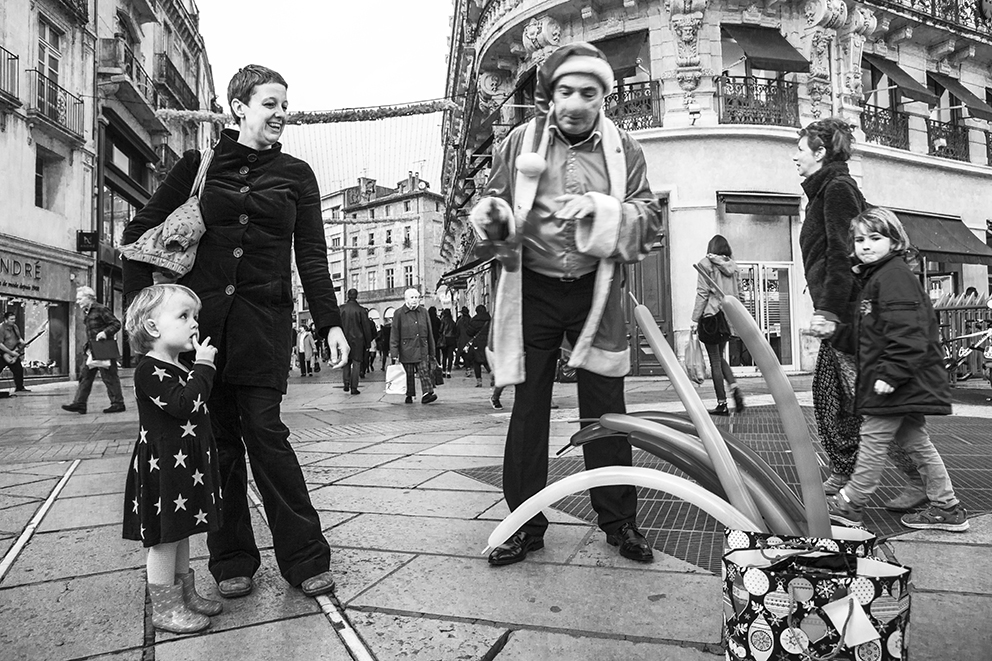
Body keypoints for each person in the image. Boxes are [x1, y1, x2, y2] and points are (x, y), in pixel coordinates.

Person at [122, 64, 348, 600]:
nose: (281, 114)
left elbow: (311, 257)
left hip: (265, 327)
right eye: (270, 103)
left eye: (284, 105)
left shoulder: (297, 175)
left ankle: (305, 556)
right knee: (219, 445)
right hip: (205, 336)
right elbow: (136, 237)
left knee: (267, 437)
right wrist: (147, 322)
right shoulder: (198, 165)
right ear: (239, 106)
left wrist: (330, 322)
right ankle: (231, 558)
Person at [469, 43, 663, 566]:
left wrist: (602, 210)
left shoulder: (627, 149)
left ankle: (620, 522)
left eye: (589, 92)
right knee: (527, 409)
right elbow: (488, 207)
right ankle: (523, 523)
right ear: (549, 95)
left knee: (606, 412)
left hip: (593, 292)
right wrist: (496, 219)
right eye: (566, 91)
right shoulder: (516, 144)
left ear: (604, 94)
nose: (576, 103)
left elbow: (648, 221)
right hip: (531, 288)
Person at [794, 117, 923, 511]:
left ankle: (921, 481)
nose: (794, 159)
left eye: (800, 151)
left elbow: (841, 251)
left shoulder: (837, 189)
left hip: (849, 316)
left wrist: (830, 310)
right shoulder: (825, 191)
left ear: (820, 153)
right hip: (842, 314)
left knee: (873, 403)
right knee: (832, 397)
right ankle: (846, 468)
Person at [826, 208, 968, 532]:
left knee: (873, 439)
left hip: (897, 380)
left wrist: (890, 374)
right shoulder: (878, 276)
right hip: (903, 379)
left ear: (895, 241)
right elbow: (876, 331)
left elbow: (908, 331)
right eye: (860, 239)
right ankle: (947, 506)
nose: (866, 245)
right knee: (916, 441)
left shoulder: (892, 276)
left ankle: (851, 502)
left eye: (875, 238)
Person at [121, 284, 223, 634]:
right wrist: (205, 367)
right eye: (183, 316)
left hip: (183, 464)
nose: (194, 323)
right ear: (152, 328)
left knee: (181, 532)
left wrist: (198, 368)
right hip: (163, 466)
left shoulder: (180, 365)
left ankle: (185, 595)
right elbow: (183, 405)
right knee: (165, 539)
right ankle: (165, 609)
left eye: (195, 316)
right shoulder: (149, 370)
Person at [690, 235, 745, 415]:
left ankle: (722, 404)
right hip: (729, 317)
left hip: (712, 316)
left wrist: (695, 318)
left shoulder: (705, 264)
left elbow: (702, 293)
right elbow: (741, 295)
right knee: (719, 357)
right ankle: (734, 387)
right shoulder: (734, 267)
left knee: (715, 360)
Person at [61, 286, 126, 414]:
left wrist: (105, 332)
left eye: (80, 299)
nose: (78, 301)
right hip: (92, 350)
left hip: (103, 349)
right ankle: (80, 404)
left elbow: (116, 324)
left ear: (89, 298)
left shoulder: (101, 309)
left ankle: (118, 403)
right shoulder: (88, 311)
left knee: (109, 377)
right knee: (85, 376)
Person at [390, 289, 437, 404]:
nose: (415, 300)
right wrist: (394, 353)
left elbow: (429, 332)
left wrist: (432, 351)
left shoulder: (424, 312)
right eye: (412, 298)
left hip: (422, 347)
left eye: (417, 297)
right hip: (406, 348)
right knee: (409, 373)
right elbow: (395, 334)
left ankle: (427, 393)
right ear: (406, 299)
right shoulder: (399, 313)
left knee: (424, 371)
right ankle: (409, 395)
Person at [340, 288, 371, 394]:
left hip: (344, 339)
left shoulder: (342, 309)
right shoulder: (361, 310)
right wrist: (368, 343)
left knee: (346, 361)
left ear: (348, 295)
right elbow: (366, 328)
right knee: (356, 363)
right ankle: (354, 387)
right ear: (356, 296)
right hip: (358, 340)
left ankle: (346, 383)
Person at [1, 310, 30, 394]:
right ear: (6, 319)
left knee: (18, 370)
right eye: (11, 319)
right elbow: (0, 344)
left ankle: (19, 387)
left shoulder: (15, 327)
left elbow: (19, 338)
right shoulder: (1, 328)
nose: (13, 321)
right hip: (3, 352)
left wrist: (23, 343)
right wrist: (10, 352)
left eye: (14, 319)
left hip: (13, 351)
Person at [465, 304, 492, 388]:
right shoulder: (490, 319)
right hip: (488, 342)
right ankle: (493, 377)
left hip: (477, 343)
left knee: (477, 362)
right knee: (487, 361)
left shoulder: (474, 320)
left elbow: (469, 332)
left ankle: (479, 381)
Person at [438, 308, 458, 378]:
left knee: (444, 356)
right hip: (451, 339)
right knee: (450, 356)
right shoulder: (452, 322)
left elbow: (440, 330)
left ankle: (443, 371)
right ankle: (449, 372)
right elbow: (456, 331)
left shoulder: (443, 321)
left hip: (444, 339)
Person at [455, 306, 472, 373]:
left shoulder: (460, 321)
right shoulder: (470, 320)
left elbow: (457, 330)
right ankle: (468, 364)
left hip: (461, 338)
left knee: (460, 351)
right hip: (469, 338)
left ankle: (457, 363)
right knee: (468, 351)